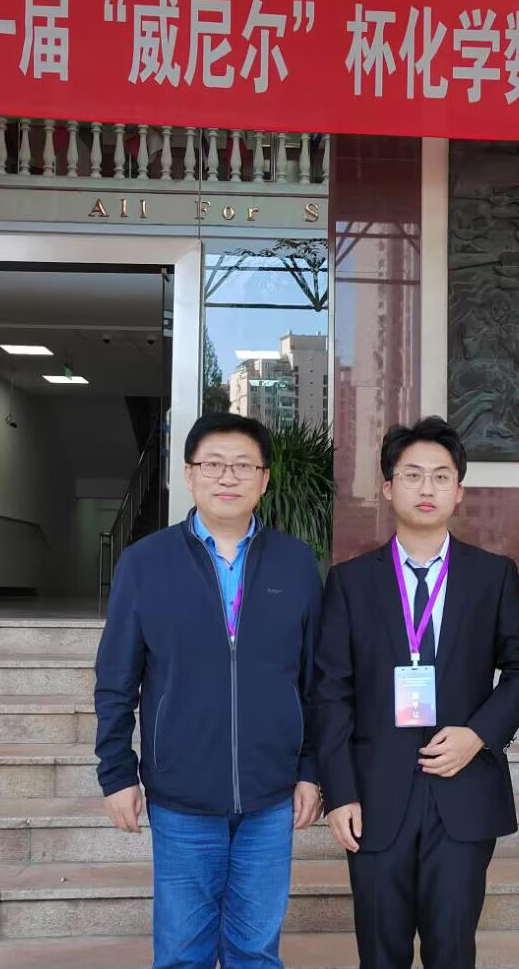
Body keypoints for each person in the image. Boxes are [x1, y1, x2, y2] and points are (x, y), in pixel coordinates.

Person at [93, 412, 324, 969]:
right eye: (213, 464)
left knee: (255, 952)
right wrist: (117, 773)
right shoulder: (145, 563)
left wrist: (311, 769)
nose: (227, 477)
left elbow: (315, 679)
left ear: (264, 479)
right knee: (182, 954)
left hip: (271, 794)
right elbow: (117, 679)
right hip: (182, 793)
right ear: (189, 474)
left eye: (243, 466)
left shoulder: (296, 563)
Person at [314, 416, 519, 969]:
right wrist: (339, 792)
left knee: (452, 951)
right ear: (388, 487)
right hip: (375, 794)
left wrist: (479, 734)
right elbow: (331, 692)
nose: (427, 487)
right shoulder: (351, 581)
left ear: (458, 491)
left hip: (463, 792)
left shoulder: (492, 575)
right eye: (412, 475)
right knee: (380, 954)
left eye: (441, 476)